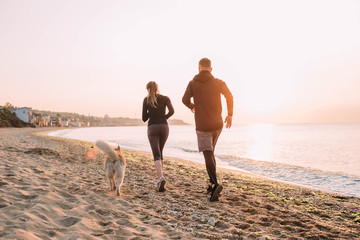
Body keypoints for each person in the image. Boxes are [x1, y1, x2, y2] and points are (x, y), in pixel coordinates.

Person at [182, 58, 233, 201]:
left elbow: (184, 99)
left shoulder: (192, 83)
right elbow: (229, 96)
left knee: (208, 154)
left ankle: (215, 183)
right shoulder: (218, 82)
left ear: (199, 69)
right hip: (217, 124)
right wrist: (230, 114)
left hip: (203, 125)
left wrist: (192, 106)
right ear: (211, 69)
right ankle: (211, 185)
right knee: (211, 154)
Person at [142, 81, 174, 192]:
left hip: (153, 127)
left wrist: (151, 113)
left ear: (148, 89)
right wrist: (163, 117)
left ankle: (161, 178)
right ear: (157, 88)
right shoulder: (165, 98)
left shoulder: (146, 100)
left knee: (156, 154)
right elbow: (172, 111)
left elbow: (144, 118)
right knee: (160, 152)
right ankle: (161, 178)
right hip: (164, 127)